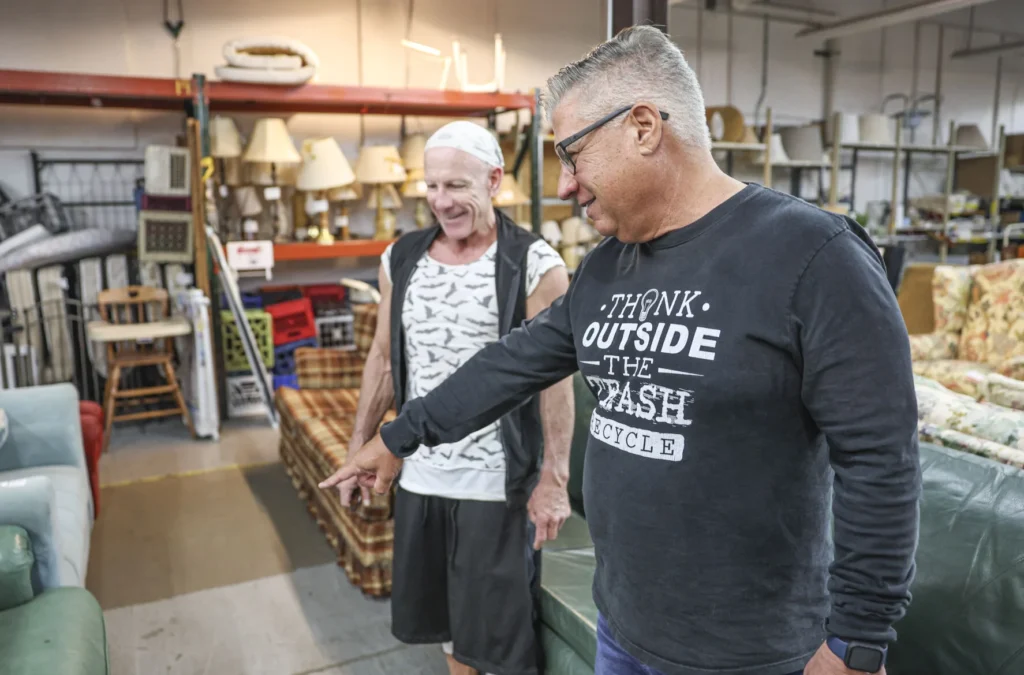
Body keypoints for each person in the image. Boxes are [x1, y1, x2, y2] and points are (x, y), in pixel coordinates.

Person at [322, 26, 921, 675]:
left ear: (642, 127)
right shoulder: (609, 267)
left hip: (750, 652)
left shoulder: (812, 255)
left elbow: (881, 459)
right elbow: (511, 363)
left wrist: (857, 642)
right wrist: (397, 435)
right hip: (624, 627)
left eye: (572, 155)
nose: (563, 184)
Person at [321, 120, 574, 675]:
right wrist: (359, 448)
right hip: (420, 477)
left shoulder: (534, 264)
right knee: (453, 637)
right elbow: (384, 358)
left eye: (456, 186)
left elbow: (556, 379)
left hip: (495, 486)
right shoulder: (402, 258)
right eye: (431, 186)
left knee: (501, 646)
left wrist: (554, 479)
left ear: (494, 180)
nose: (441, 200)